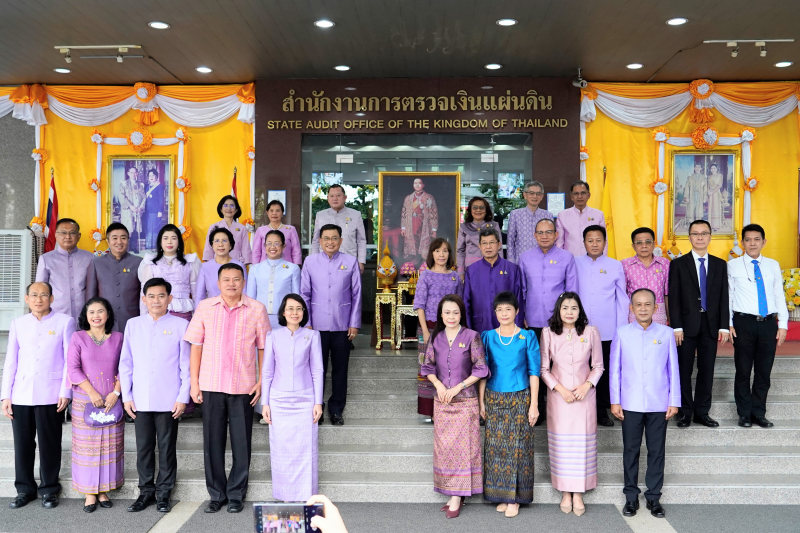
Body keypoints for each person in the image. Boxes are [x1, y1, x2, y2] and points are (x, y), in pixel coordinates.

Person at [184, 263, 268, 514]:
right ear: (218, 283)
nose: (231, 284)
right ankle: (216, 494)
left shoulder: (257, 309)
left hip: (243, 385)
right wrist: (194, 382)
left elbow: (263, 348)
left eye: (236, 279)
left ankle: (236, 494)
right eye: (226, 280)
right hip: (211, 384)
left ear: (244, 282)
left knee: (242, 443)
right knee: (213, 442)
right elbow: (196, 345)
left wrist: (262, 380)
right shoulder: (205, 308)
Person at [120, 278, 190, 514]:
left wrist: (183, 397)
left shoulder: (181, 325)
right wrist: (126, 396)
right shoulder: (133, 324)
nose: (156, 300)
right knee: (144, 448)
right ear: (144, 299)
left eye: (161, 296)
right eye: (151, 296)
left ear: (170, 299)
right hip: (140, 399)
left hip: (169, 399)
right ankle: (146, 492)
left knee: (167, 447)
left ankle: (164, 493)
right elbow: (126, 363)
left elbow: (186, 366)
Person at [2, 282, 74, 510]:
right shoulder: (18, 323)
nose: (39, 299)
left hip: (51, 394)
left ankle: (49, 489)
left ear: (52, 299)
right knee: (22, 444)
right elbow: (11, 360)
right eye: (34, 295)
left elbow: (69, 361)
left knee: (49, 443)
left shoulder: (64, 322)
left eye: (44, 295)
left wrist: (66, 391)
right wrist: (6, 396)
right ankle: (24, 489)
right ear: (27, 299)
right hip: (21, 393)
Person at [610, 288, 680, 518]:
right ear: (631, 308)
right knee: (630, 450)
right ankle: (631, 497)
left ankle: (653, 498)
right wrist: (615, 400)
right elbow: (615, 370)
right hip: (629, 402)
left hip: (659, 402)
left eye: (647, 304)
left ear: (656, 308)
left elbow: (673, 370)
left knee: (656, 450)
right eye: (638, 304)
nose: (642, 308)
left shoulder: (667, 333)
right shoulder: (621, 332)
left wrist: (674, 400)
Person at [420, 295, 488, 518]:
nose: (451, 316)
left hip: (465, 401)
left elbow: (481, 369)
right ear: (440, 314)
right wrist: (439, 385)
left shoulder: (472, 336)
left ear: (461, 314)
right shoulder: (435, 338)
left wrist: (458, 387)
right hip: (442, 402)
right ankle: (451, 492)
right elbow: (427, 367)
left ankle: (457, 497)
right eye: (447, 312)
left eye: (455, 312)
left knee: (463, 450)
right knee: (445, 450)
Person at [539, 292, 603, 515]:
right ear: (558, 310)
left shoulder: (590, 332)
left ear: (580, 311)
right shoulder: (548, 333)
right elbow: (544, 370)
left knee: (581, 444)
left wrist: (587, 385)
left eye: (574, 308)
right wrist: (560, 389)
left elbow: (598, 366)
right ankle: (566, 492)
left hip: (584, 398)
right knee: (563, 446)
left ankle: (579, 493)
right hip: (559, 397)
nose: (569, 312)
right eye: (565, 307)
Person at [478, 292, 539, 518]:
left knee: (518, 447)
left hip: (520, 396)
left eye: (508, 309)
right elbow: (483, 372)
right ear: (495, 313)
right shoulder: (488, 337)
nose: (504, 313)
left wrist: (534, 404)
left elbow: (534, 372)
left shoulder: (527, 336)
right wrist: (481, 401)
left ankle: (515, 498)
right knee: (495, 446)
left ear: (516, 311)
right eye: (500, 310)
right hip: (494, 396)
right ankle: (501, 495)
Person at [261, 294, 324, 501]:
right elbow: (267, 371)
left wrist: (318, 402)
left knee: (306, 450)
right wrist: (265, 402)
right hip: (278, 400)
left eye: (299, 309)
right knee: (281, 450)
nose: (294, 313)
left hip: (305, 399)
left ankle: (307, 495)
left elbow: (317, 370)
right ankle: (284, 495)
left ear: (304, 312)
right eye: (290, 309)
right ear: (283, 312)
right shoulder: (273, 336)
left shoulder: (312, 336)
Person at [668, 219, 729, 428]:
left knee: (706, 368)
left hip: (711, 325)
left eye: (704, 233)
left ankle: (702, 412)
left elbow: (723, 297)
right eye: (696, 234)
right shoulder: (677, 264)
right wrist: (676, 326)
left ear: (710, 236)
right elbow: (674, 298)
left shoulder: (720, 265)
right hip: (685, 326)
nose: (700, 237)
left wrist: (723, 325)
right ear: (690, 237)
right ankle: (685, 412)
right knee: (684, 369)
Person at [728, 224, 789, 428]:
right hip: (743, 322)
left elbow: (778, 295)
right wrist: (728, 323)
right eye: (748, 239)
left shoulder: (773, 265)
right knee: (743, 370)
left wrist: (783, 324)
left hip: (768, 323)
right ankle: (744, 413)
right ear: (742, 243)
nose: (752, 243)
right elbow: (728, 297)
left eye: (756, 239)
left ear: (764, 241)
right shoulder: (733, 265)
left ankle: (758, 412)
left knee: (764, 371)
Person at [67, 297, 124, 512]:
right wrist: (92, 392)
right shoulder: (78, 337)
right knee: (88, 448)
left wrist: (115, 392)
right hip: (85, 399)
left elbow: (125, 367)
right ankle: (89, 493)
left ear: (108, 314)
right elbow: (73, 368)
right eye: (92, 312)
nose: (96, 315)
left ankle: (104, 491)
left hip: (111, 399)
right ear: (86, 315)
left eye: (101, 311)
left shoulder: (118, 338)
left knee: (108, 446)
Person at [301, 224, 361, 425]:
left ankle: (336, 410)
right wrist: (306, 322)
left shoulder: (350, 261)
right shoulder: (310, 262)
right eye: (326, 238)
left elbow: (357, 295)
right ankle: (316, 408)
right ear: (319, 241)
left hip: (342, 324)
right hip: (315, 326)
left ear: (341, 241)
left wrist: (354, 323)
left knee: (340, 369)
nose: (330, 242)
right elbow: (305, 294)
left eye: (334, 238)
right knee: (316, 369)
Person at [518, 218, 577, 424]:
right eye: (540, 233)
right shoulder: (525, 258)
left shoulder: (567, 257)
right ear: (534, 235)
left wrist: (569, 318)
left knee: (556, 364)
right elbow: (522, 290)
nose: (544, 236)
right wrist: (521, 315)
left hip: (557, 322)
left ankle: (559, 407)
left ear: (556, 235)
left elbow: (572, 291)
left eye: (549, 232)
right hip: (532, 320)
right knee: (535, 365)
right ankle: (537, 407)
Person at [575, 225, 628, 427]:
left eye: (598, 240)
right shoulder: (575, 263)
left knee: (603, 370)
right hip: (580, 328)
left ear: (605, 242)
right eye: (590, 240)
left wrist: (620, 328)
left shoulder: (615, 265)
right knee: (582, 369)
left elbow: (621, 299)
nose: (594, 244)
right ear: (584, 242)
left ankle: (602, 410)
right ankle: (582, 408)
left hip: (607, 328)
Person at [413, 238, 462, 418]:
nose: (442, 254)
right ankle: (429, 410)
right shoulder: (426, 275)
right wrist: (425, 331)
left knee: (448, 366)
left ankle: (446, 406)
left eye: (445, 251)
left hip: (450, 328)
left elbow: (460, 304)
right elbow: (419, 304)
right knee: (427, 366)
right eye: (438, 251)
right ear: (432, 254)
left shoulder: (455, 276)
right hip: (430, 326)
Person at [463, 228, 524, 334]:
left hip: (507, 328)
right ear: (480, 246)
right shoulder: (471, 270)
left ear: (499, 244)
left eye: (492, 242)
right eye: (484, 243)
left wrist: (517, 330)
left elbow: (518, 301)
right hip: (480, 327)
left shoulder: (512, 269)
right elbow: (466, 303)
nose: (488, 247)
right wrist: (468, 331)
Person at [85, 222, 143, 333]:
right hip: (104, 321)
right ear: (108, 241)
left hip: (132, 319)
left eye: (123, 238)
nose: (119, 242)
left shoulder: (138, 262)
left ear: (128, 240)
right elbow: (91, 297)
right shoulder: (97, 263)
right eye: (115, 238)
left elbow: (144, 293)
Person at [35, 218, 94, 321]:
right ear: (56, 235)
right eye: (63, 233)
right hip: (56, 316)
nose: (67, 237)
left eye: (72, 233)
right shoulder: (46, 259)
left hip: (85, 315)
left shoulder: (90, 258)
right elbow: (40, 290)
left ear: (79, 236)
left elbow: (94, 287)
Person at [139, 224, 201, 321]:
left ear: (179, 241)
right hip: (158, 312)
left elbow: (197, 294)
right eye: (165, 238)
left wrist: (199, 319)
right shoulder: (150, 263)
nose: (169, 242)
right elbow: (144, 293)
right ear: (160, 241)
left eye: (173, 238)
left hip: (183, 313)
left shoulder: (190, 262)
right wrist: (143, 319)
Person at [247, 230, 301, 330]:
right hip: (260, 319)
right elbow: (250, 299)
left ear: (283, 246)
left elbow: (296, 297)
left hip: (285, 319)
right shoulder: (255, 269)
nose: (272, 247)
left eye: (277, 243)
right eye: (269, 243)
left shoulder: (293, 269)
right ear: (264, 246)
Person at [311, 184, 367, 273]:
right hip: (325, 262)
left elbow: (361, 240)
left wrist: (361, 262)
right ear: (327, 198)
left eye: (338, 195)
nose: (335, 198)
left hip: (349, 261)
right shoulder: (320, 215)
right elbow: (316, 240)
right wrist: (314, 260)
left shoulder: (356, 215)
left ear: (345, 197)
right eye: (332, 196)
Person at [622, 227, 670, 325]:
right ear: (633, 246)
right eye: (639, 243)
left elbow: (667, 294)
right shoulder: (624, 265)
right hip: (634, 315)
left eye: (648, 242)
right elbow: (622, 295)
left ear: (654, 244)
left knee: (659, 340)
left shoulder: (664, 263)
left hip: (658, 315)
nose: (644, 246)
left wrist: (671, 319)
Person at [196, 227, 247, 307]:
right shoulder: (205, 267)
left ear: (230, 244)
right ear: (212, 245)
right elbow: (199, 296)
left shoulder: (239, 266)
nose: (220, 244)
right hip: (211, 313)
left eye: (224, 241)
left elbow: (245, 293)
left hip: (236, 311)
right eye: (216, 241)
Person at [506, 181, 553, 264]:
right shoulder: (516, 214)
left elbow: (552, 240)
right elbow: (510, 241)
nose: (535, 196)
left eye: (538, 194)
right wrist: (511, 263)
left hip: (542, 261)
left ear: (542, 196)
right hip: (520, 262)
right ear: (525, 195)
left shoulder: (547, 215)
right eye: (531, 193)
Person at [555, 181, 606, 257]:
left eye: (583, 193)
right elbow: (559, 242)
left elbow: (604, 240)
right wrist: (561, 261)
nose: (580, 196)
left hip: (593, 260)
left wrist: (602, 260)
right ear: (571, 197)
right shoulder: (562, 215)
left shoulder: (598, 214)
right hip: (570, 261)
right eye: (576, 194)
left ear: (588, 195)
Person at [456, 196, 501, 277]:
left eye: (482, 207)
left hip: (491, 266)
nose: (478, 210)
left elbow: (499, 248)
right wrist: (461, 272)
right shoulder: (464, 227)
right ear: (470, 210)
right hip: (470, 268)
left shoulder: (494, 225)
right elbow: (460, 251)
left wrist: (500, 268)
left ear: (486, 210)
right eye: (475, 207)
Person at [203, 195, 252, 264]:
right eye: (225, 206)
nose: (228, 208)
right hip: (217, 264)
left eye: (232, 206)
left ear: (236, 210)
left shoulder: (242, 228)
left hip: (236, 264)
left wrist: (243, 266)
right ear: (221, 209)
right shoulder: (214, 227)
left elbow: (245, 248)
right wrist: (210, 265)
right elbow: (209, 248)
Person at [252, 199, 302, 266]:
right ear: (267, 213)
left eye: (278, 210)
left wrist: (297, 266)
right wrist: (255, 267)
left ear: (282, 213)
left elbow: (296, 251)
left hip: (286, 267)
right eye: (271, 210)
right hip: (265, 267)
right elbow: (256, 252)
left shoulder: (290, 230)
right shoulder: (261, 230)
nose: (274, 213)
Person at [400, 178, 439, 263]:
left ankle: (424, 261)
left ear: (423, 185)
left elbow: (433, 213)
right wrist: (403, 228)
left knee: (424, 244)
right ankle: (414, 261)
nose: (417, 185)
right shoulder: (408, 198)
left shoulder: (429, 197)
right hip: (411, 224)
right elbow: (404, 213)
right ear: (413, 185)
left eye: (419, 183)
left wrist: (434, 229)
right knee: (413, 242)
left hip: (424, 225)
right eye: (415, 183)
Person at [119, 165, 145, 253]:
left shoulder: (140, 185)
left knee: (136, 229)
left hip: (137, 210)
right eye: (131, 172)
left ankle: (135, 247)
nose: (133, 174)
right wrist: (131, 206)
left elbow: (144, 197)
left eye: (135, 172)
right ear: (128, 173)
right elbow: (121, 196)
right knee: (128, 229)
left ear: (137, 173)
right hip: (128, 210)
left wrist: (140, 207)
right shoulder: (124, 184)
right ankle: (126, 248)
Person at [143, 168, 166, 250]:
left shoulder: (159, 186)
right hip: (147, 211)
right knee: (149, 227)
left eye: (153, 175)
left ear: (156, 176)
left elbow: (161, 199)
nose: (151, 177)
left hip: (155, 211)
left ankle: (155, 246)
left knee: (155, 228)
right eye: (150, 175)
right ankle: (149, 245)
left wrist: (160, 211)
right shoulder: (146, 186)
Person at [707, 163, 725, 231]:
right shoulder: (709, 176)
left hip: (716, 193)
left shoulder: (720, 175)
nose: (713, 169)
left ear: (717, 169)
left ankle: (716, 226)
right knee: (711, 208)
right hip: (710, 194)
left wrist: (712, 191)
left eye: (714, 168)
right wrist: (708, 191)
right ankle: (710, 225)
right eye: (711, 168)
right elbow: (708, 185)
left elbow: (720, 185)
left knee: (716, 208)